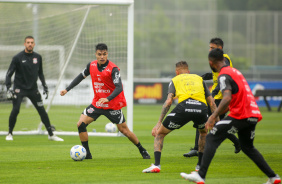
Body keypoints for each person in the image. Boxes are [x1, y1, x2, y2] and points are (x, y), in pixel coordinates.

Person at [181, 49, 281, 184]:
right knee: (248, 148)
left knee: (211, 137)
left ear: (211, 63)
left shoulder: (223, 75)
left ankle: (201, 175)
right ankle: (273, 177)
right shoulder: (236, 72)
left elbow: (227, 97)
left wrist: (213, 116)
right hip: (253, 114)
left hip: (241, 114)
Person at [60, 43, 150, 159]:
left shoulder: (113, 69)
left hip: (112, 105)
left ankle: (142, 150)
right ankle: (87, 154)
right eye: (99, 54)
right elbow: (80, 77)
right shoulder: (91, 65)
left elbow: (119, 87)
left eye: (104, 54)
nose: (102, 57)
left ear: (107, 54)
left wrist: (107, 98)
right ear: (95, 54)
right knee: (80, 124)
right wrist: (67, 89)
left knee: (124, 130)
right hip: (97, 104)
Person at [142, 61, 218, 173]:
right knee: (203, 133)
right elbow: (211, 102)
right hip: (201, 108)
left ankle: (157, 165)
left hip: (184, 107)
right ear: (188, 71)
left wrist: (159, 123)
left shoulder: (175, 79)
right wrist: (217, 120)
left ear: (177, 72)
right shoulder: (199, 78)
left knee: (160, 133)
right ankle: (199, 167)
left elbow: (168, 102)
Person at [183, 38, 240, 158]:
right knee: (207, 121)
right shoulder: (217, 60)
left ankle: (197, 149)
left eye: (212, 48)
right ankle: (197, 149)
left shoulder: (224, 58)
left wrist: (213, 92)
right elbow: (216, 74)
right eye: (209, 47)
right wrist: (202, 77)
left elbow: (224, 75)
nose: (209, 50)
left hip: (220, 98)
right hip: (216, 97)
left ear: (219, 48)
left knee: (210, 123)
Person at [5, 36, 63, 141]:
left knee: (42, 111)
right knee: (16, 109)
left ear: (34, 44)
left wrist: (44, 86)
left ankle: (51, 135)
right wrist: (9, 88)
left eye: (32, 42)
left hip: (33, 89)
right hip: (19, 89)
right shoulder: (17, 57)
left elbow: (40, 73)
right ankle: (9, 133)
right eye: (28, 42)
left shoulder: (38, 57)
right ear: (24, 44)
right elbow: (9, 74)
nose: (30, 44)